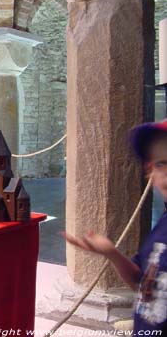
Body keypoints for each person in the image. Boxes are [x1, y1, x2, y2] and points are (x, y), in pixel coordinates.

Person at [64, 120, 167, 335]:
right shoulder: (162, 226)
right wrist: (112, 253)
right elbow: (141, 283)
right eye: (161, 163)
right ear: (150, 172)